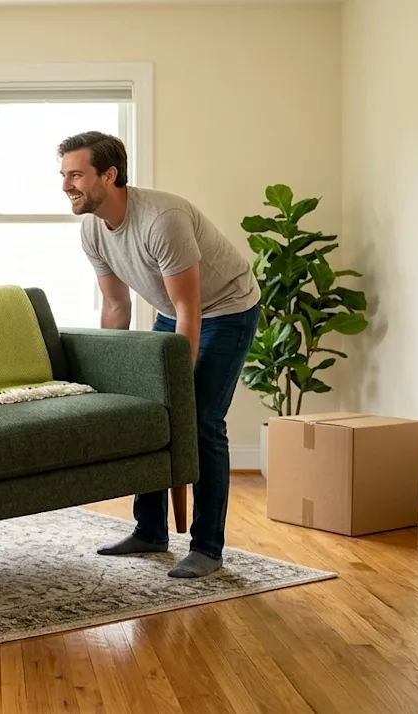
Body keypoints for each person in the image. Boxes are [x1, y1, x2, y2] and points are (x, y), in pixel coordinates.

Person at [57, 131, 260, 578]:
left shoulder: (161, 219)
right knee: (151, 412)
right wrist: (111, 376)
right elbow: (116, 306)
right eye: (64, 174)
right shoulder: (93, 229)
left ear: (109, 175)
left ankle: (207, 547)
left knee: (201, 419)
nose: (66, 184)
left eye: (76, 174)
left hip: (225, 308)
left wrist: (179, 387)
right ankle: (150, 531)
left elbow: (192, 310)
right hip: (174, 311)